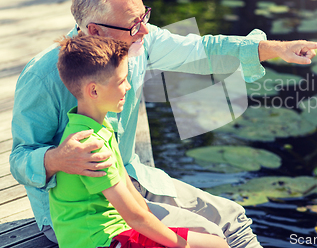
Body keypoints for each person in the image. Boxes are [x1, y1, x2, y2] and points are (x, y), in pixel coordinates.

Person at [10, 0, 317, 248]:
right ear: (94, 31)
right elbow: (20, 159)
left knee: (235, 220)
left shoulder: (137, 41)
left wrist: (275, 49)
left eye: (144, 17)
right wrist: (57, 159)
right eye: (133, 24)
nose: (145, 31)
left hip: (129, 178)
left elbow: (203, 50)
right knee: (208, 234)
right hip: (77, 217)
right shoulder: (42, 77)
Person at [50, 34, 228, 248]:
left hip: (117, 231)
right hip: (100, 241)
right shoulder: (90, 146)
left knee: (215, 243)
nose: (128, 87)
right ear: (94, 90)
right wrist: (182, 246)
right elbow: (134, 217)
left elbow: (131, 192)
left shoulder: (99, 125)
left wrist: (165, 230)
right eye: (121, 81)